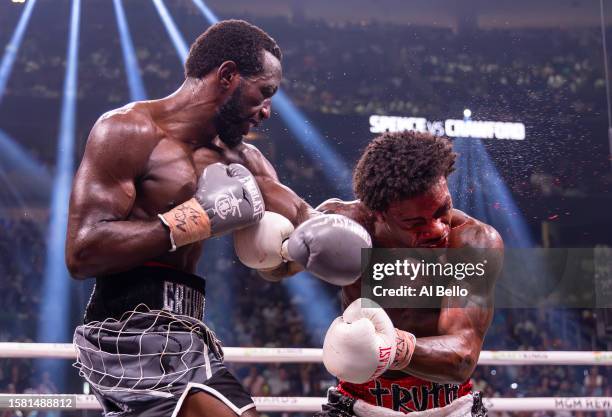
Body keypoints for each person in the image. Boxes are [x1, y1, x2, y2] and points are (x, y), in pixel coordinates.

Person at [66, 20, 368, 417]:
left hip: (187, 331)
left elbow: (303, 222)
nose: (267, 111)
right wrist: (193, 219)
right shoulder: (127, 131)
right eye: (264, 92)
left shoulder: (246, 160)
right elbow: (82, 252)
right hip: (124, 332)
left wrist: (292, 255)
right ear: (227, 76)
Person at [246, 131, 503, 416]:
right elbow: (276, 272)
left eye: (443, 209)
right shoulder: (347, 227)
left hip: (450, 407)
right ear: (378, 213)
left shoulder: (471, 242)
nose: (437, 229)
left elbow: (462, 356)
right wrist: (274, 253)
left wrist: (388, 348)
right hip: (359, 405)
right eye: (414, 222)